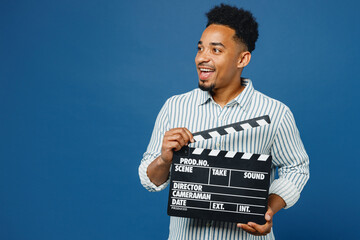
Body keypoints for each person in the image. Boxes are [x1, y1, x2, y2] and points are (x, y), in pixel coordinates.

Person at [139, 3, 309, 239]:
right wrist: (164, 159)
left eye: (216, 50)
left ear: (242, 59)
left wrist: (269, 209)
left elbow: (296, 168)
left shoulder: (275, 112)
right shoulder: (174, 107)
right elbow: (150, 180)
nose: (202, 58)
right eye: (200, 49)